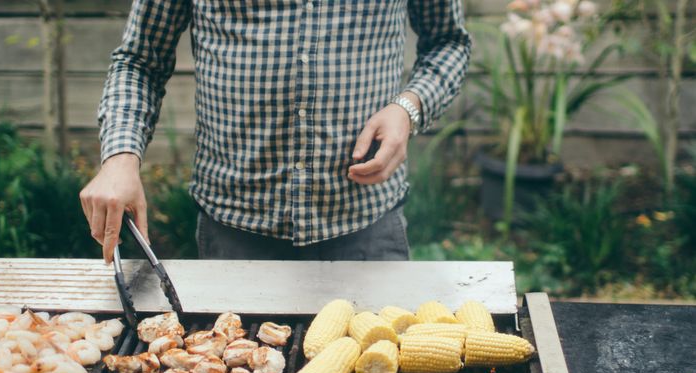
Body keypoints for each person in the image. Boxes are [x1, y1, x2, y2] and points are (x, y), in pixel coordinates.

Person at [79, 2, 471, 262]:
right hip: (234, 231)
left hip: (365, 226)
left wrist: (408, 108)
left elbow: (449, 42)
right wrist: (120, 158)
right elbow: (140, 61)